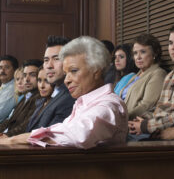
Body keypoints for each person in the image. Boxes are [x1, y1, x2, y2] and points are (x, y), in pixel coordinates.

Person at [0, 36, 128, 149]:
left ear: (97, 70)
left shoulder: (109, 104)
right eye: (66, 73)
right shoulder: (83, 102)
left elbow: (79, 135)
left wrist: (12, 140)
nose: (67, 80)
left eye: (74, 71)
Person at [129, 24, 174, 140]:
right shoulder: (170, 75)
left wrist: (146, 125)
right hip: (155, 128)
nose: (173, 47)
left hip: (173, 134)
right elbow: (159, 108)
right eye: (170, 43)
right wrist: (139, 120)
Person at [25, 35, 75, 132]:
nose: (49, 66)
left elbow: (48, 137)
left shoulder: (71, 96)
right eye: (46, 60)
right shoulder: (51, 95)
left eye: (56, 59)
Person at [120, 34, 166, 119]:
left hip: (133, 122)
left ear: (154, 53)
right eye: (135, 53)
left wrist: (123, 118)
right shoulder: (137, 75)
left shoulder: (158, 73)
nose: (138, 57)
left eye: (143, 52)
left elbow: (147, 105)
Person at [0, 59, 43, 137]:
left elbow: (26, 125)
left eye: (32, 75)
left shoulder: (40, 97)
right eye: (25, 75)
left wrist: (6, 135)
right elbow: (10, 121)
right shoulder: (27, 96)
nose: (26, 79)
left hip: (16, 142)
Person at [26, 67, 54, 132]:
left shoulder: (57, 104)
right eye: (39, 80)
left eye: (47, 81)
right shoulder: (40, 102)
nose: (42, 86)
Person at [0, 55, 19, 123]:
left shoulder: (14, 88)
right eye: (0, 67)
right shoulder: (4, 86)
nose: (2, 70)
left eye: (7, 67)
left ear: (15, 70)